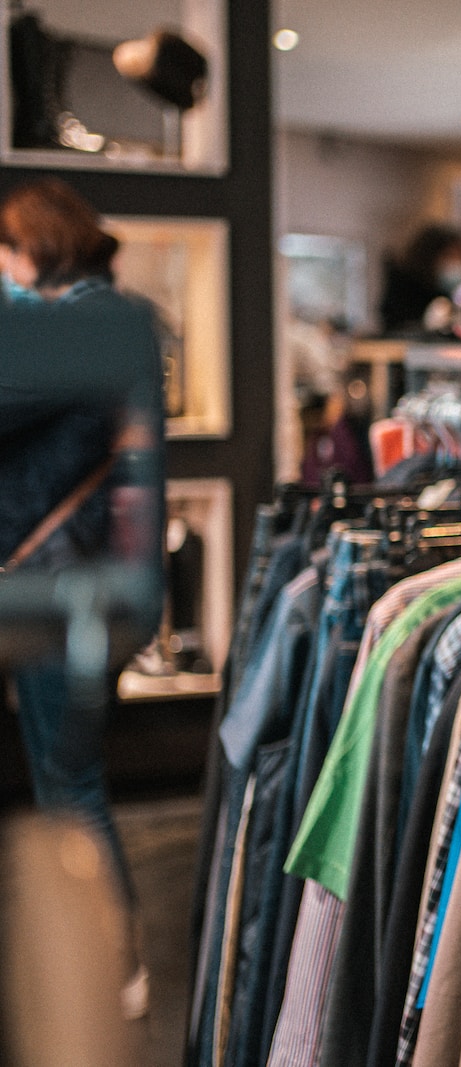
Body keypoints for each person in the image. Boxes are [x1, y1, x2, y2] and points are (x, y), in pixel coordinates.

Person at [0, 177, 165, 1018]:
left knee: (70, 780)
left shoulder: (74, 325)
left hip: (60, 588)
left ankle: (112, 965)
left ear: (36, 247)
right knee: (69, 774)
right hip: (78, 580)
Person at [377, 223, 461, 335]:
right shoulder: (404, 290)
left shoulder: (457, 293)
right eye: (450, 256)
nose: (457, 263)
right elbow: (393, 329)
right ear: (430, 256)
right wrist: (424, 325)